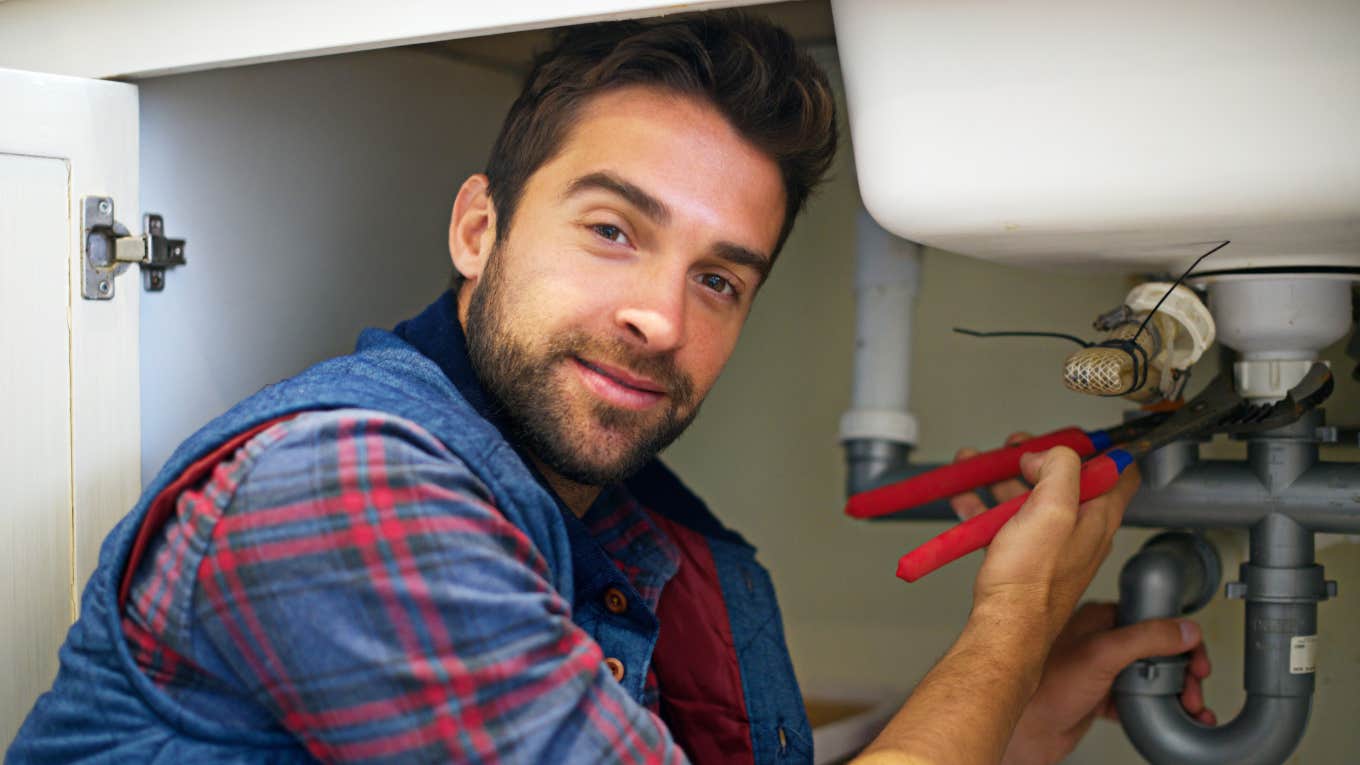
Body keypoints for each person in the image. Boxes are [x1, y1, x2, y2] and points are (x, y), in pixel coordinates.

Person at [9, 13, 1212, 765]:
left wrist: (1024, 707)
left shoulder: (620, 526)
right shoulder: (346, 490)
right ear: (478, 228)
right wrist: (1006, 625)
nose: (659, 318)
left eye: (720, 280)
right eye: (611, 230)